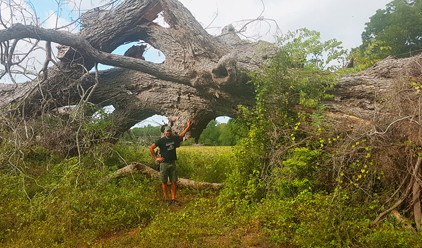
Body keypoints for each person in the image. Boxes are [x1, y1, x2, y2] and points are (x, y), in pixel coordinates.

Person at [149, 120, 192, 205]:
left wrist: (188, 127)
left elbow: (181, 135)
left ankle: (173, 199)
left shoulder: (174, 138)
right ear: (165, 132)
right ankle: (165, 199)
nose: (168, 132)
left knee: (174, 182)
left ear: (171, 132)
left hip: (172, 163)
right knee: (164, 182)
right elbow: (151, 148)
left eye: (169, 131)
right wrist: (156, 158)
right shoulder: (161, 141)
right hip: (164, 164)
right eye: (167, 131)